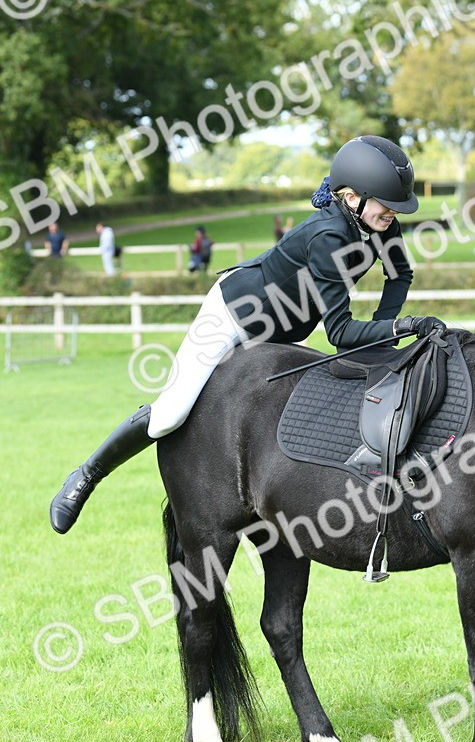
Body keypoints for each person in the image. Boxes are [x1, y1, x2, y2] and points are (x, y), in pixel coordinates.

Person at [50, 135, 445, 534]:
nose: (393, 213)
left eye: (397, 206)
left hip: (285, 334)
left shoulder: (375, 222)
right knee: (171, 413)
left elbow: (400, 274)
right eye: (387, 203)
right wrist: (401, 326)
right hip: (234, 314)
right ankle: (85, 475)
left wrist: (386, 328)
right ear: (351, 196)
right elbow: (340, 333)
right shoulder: (330, 236)